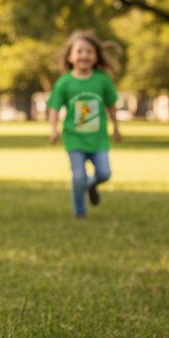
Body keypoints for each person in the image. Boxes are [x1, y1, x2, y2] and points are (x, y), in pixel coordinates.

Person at [47, 30, 122, 218]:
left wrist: (117, 128)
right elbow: (54, 108)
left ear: (96, 56)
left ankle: (91, 185)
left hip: (98, 138)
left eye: (89, 51)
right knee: (78, 176)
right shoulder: (64, 82)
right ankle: (79, 211)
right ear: (70, 56)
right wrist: (53, 129)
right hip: (74, 137)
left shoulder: (102, 80)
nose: (84, 55)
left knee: (104, 173)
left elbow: (112, 105)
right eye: (79, 51)